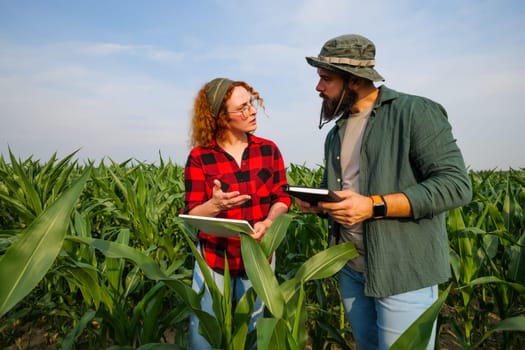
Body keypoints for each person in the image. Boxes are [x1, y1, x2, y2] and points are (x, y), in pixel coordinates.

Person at [296, 34, 472, 349]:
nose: (318, 87)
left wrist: (375, 206)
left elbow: (455, 185)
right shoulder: (336, 132)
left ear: (353, 80)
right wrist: (319, 203)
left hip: (401, 271)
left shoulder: (415, 112)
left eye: (326, 78)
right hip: (351, 267)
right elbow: (348, 192)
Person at [182, 77, 291, 349]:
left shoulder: (269, 150)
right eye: (242, 108)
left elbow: (282, 197)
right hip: (214, 259)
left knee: (255, 336)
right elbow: (193, 212)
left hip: (258, 258)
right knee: (202, 338)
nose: (252, 111)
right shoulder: (200, 157)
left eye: (251, 104)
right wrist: (216, 205)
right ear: (220, 118)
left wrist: (268, 221)